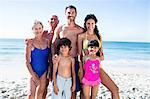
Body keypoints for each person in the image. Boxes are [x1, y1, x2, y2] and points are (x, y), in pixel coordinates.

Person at [78, 14, 120, 99]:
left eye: (92, 23)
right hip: (86, 68)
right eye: (88, 23)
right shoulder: (81, 36)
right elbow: (80, 56)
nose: (90, 26)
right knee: (84, 95)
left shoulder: (98, 36)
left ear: (95, 24)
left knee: (115, 89)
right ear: (85, 24)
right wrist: (81, 71)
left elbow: (101, 53)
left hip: (97, 68)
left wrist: (100, 56)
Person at [52, 5, 84, 99]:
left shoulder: (80, 30)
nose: (71, 15)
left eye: (73, 12)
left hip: (73, 60)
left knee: (72, 90)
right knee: (58, 90)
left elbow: (88, 43)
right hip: (61, 62)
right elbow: (53, 44)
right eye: (68, 13)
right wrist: (54, 56)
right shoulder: (60, 29)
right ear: (65, 14)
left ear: (76, 14)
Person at [25, 20, 50, 99]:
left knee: (40, 94)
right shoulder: (30, 43)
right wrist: (33, 75)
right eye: (36, 29)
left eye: (39, 28)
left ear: (42, 29)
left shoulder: (47, 42)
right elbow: (27, 62)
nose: (38, 30)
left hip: (44, 72)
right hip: (34, 71)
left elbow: (49, 58)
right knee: (31, 95)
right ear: (33, 30)